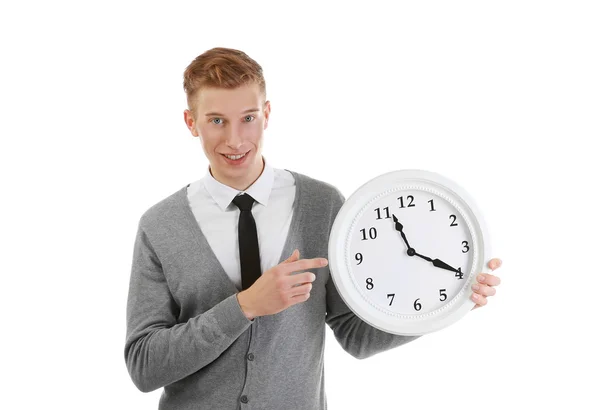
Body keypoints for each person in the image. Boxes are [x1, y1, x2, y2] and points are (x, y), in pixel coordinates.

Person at [124, 47, 503, 409]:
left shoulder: (322, 206)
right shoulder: (160, 226)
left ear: (267, 113)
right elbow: (144, 366)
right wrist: (245, 306)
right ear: (192, 122)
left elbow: (356, 336)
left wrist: (450, 300)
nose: (235, 139)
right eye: (217, 120)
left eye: (249, 117)